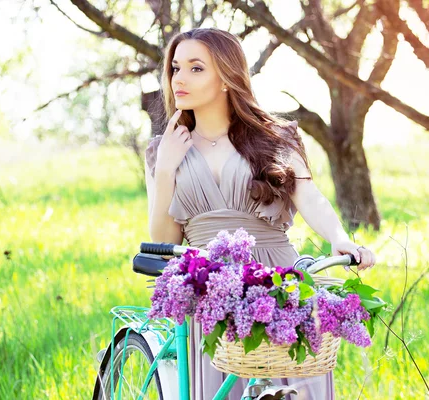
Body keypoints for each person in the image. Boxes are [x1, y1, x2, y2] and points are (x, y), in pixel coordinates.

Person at [144, 27, 376, 400]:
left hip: (278, 279)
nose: (179, 79)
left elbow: (309, 195)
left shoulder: (276, 137)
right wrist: (166, 170)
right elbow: (164, 242)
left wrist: (339, 238)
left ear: (226, 77)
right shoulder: (163, 150)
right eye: (175, 68)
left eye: (196, 68)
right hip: (210, 286)